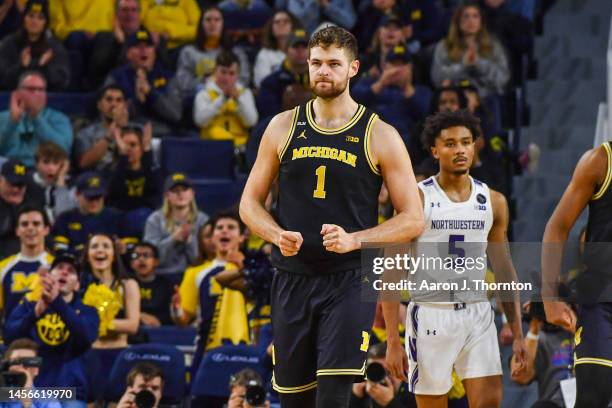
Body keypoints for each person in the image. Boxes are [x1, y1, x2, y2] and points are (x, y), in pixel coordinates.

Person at [239, 26, 424, 407]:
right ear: (307, 65)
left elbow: (413, 218)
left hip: (351, 278)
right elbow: (249, 205)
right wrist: (274, 234)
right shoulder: (282, 126)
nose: (324, 71)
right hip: (292, 278)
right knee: (293, 400)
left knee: (333, 397)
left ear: (353, 68)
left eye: (334, 64)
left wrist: (357, 239)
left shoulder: (380, 134)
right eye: (317, 63)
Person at [383, 110, 526, 408]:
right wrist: (393, 342)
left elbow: (503, 270)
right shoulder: (417, 200)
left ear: (475, 146)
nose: (459, 150)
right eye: (450, 144)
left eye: (465, 142)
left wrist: (518, 333)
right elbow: (391, 270)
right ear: (435, 150)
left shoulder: (494, 201)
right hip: (431, 314)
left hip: (478, 314)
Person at [542, 142, 612, 407]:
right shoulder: (601, 160)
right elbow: (557, 226)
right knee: (593, 395)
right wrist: (549, 298)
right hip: (602, 299)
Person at [4, 252, 100, 407]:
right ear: (48, 276)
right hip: (29, 386)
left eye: (71, 271)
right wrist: (35, 314)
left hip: (69, 391)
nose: (64, 272)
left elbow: (86, 337)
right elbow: (9, 337)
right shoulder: (29, 305)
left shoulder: (87, 311)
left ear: (77, 285)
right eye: (59, 268)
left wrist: (57, 303)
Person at [172, 211, 250, 374]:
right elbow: (184, 319)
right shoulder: (195, 273)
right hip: (206, 347)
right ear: (212, 237)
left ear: (242, 237)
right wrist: (176, 309)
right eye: (219, 228)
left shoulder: (255, 269)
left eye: (231, 227)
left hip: (248, 346)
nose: (224, 231)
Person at [81, 233, 140, 404]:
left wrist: (98, 322)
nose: (100, 250)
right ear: (87, 254)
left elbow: (132, 325)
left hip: (118, 355)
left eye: (106, 246)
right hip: (88, 354)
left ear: (114, 254)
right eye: (95, 246)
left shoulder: (128, 285)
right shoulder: (78, 285)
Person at [105, 29, 182, 135]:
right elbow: (108, 112)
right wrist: (137, 101)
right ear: (128, 54)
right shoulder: (116, 77)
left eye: (148, 46)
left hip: (163, 134)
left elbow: (175, 114)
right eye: (137, 46)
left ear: (154, 52)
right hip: (127, 133)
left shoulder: (168, 77)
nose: (143, 50)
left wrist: (150, 93)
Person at [352, 43, 431, 145]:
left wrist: (407, 88)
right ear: (384, 66)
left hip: (405, 144)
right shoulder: (369, 83)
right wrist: (380, 84)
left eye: (402, 64)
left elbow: (426, 115)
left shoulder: (420, 91)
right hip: (369, 139)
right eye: (394, 64)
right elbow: (353, 101)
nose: (397, 69)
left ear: (411, 68)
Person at [431, 2, 510, 98]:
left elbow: (502, 79)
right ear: (458, 21)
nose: (470, 21)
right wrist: (462, 67)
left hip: (485, 98)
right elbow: (437, 78)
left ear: (481, 21)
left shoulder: (493, 45)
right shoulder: (445, 46)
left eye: (475, 16)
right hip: (455, 99)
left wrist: (479, 64)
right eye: (466, 16)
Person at [143, 173, 208, 281]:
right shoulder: (155, 220)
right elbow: (150, 258)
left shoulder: (203, 220)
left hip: (194, 275)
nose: (180, 194)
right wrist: (173, 239)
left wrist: (189, 241)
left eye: (184, 189)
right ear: (167, 195)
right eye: (175, 190)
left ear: (192, 193)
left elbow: (202, 259)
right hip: (161, 276)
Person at [510, 301, 575, 408]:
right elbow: (520, 376)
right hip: (554, 403)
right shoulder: (541, 339)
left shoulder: (595, 330)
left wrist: (574, 324)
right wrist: (534, 328)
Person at [0, 71, 72, 167]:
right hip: (8, 171)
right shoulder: (3, 117)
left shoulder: (58, 119)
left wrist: (36, 119)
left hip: (43, 172)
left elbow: (63, 150)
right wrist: (13, 122)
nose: (36, 93)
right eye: (31, 89)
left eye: (41, 89)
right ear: (18, 92)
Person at [175, 6, 250, 98]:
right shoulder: (188, 52)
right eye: (208, 20)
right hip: (200, 98)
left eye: (217, 20)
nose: (212, 23)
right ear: (201, 24)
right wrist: (205, 83)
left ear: (223, 24)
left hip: (231, 97)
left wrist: (223, 88)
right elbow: (184, 83)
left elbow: (244, 79)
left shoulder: (236, 52)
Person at [0, 0, 70, 91]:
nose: (34, 21)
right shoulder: (9, 43)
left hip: (47, 101)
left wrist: (44, 68)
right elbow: (3, 80)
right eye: (31, 16)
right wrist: (21, 67)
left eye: (40, 18)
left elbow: (62, 82)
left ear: (46, 22)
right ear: (23, 18)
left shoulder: (54, 47)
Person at [193, 50, 258, 147]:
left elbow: (251, 121)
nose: (227, 78)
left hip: (241, 147)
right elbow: (200, 121)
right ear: (215, 71)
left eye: (231, 73)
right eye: (223, 72)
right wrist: (222, 99)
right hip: (212, 146)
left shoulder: (245, 94)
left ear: (237, 75)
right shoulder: (204, 94)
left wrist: (238, 100)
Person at [107, 124, 161, 239]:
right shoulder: (110, 171)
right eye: (124, 144)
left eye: (133, 145)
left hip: (142, 219)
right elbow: (115, 194)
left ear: (141, 148)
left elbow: (154, 195)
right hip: (119, 219)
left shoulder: (151, 170)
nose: (128, 149)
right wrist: (123, 158)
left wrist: (148, 153)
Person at [48, 0, 115, 89]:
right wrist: (71, 32)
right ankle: (74, 91)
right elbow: (58, 25)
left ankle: (97, 88)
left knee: (106, 40)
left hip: (106, 34)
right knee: (77, 39)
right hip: (74, 35)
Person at [0, 206, 52, 320]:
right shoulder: (2, 267)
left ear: (46, 229)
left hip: (46, 335)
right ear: (17, 231)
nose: (30, 228)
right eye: (24, 224)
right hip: (11, 336)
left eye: (36, 223)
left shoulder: (56, 266)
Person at [52, 172, 121, 254]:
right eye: (90, 198)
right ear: (77, 194)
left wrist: (122, 250)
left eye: (98, 197)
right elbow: (59, 251)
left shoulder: (116, 218)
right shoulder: (64, 219)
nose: (94, 202)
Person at [256, 29, 310, 120]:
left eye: (305, 46)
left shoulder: (323, 79)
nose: (300, 51)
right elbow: (267, 119)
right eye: (295, 46)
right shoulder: (271, 83)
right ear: (285, 50)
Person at [75, 84, 129, 172]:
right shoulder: (85, 134)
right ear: (99, 105)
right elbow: (83, 163)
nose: (114, 104)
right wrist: (109, 136)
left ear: (125, 105)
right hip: (97, 178)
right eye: (109, 99)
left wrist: (125, 129)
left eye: (119, 100)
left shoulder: (137, 130)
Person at [350, 342, 416, 408]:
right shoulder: (362, 392)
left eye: (389, 372)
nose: (384, 378)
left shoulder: (414, 392)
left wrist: (391, 403)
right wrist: (354, 398)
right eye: (376, 371)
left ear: (402, 371)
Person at [0, 159, 43, 259]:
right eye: (12, 184)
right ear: (0, 181)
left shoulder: (33, 201)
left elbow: (47, 236)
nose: (15, 189)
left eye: (20, 185)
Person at [0, 338, 62, 408]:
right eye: (17, 361)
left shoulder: (48, 401)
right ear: (7, 365)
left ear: (36, 370)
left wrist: (27, 402)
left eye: (28, 362)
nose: (22, 367)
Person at [29, 142, 76, 224]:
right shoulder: (29, 183)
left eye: (55, 163)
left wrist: (61, 181)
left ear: (63, 165)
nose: (51, 168)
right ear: (36, 164)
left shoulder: (71, 185)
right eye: (46, 162)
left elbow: (63, 215)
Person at [130, 242, 173, 327]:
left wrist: (159, 320)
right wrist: (139, 316)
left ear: (156, 262)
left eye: (146, 255)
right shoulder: (125, 284)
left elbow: (170, 314)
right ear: (131, 263)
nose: (141, 259)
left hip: (160, 329)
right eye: (136, 256)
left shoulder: (167, 285)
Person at [253, 11, 299, 89]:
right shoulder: (265, 54)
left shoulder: (303, 51)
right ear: (271, 29)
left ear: (293, 27)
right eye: (277, 22)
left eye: (286, 21)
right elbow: (261, 83)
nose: (281, 24)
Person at [275, 0, 356, 35]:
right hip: (302, 36)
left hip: (334, 43)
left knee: (328, 26)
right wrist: (313, 4)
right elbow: (295, 20)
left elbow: (350, 23)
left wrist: (327, 6)